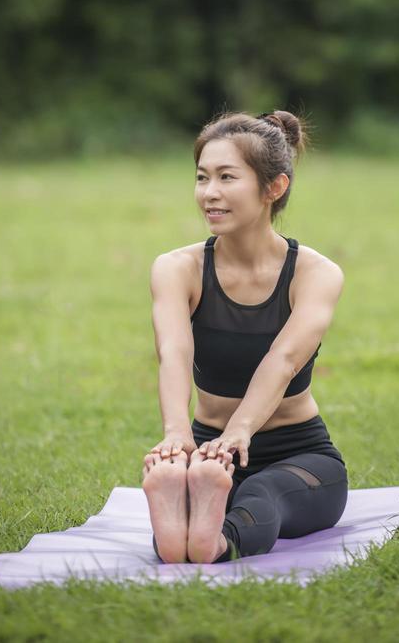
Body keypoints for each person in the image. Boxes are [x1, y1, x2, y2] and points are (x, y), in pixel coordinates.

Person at [142, 110, 348, 564]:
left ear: (274, 187)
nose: (209, 193)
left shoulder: (316, 274)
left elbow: (284, 358)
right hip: (210, 448)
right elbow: (173, 352)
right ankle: (184, 527)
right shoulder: (178, 268)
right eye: (202, 177)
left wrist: (240, 432)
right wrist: (177, 433)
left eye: (226, 178)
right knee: (202, 498)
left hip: (299, 451)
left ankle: (213, 541)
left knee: (261, 490)